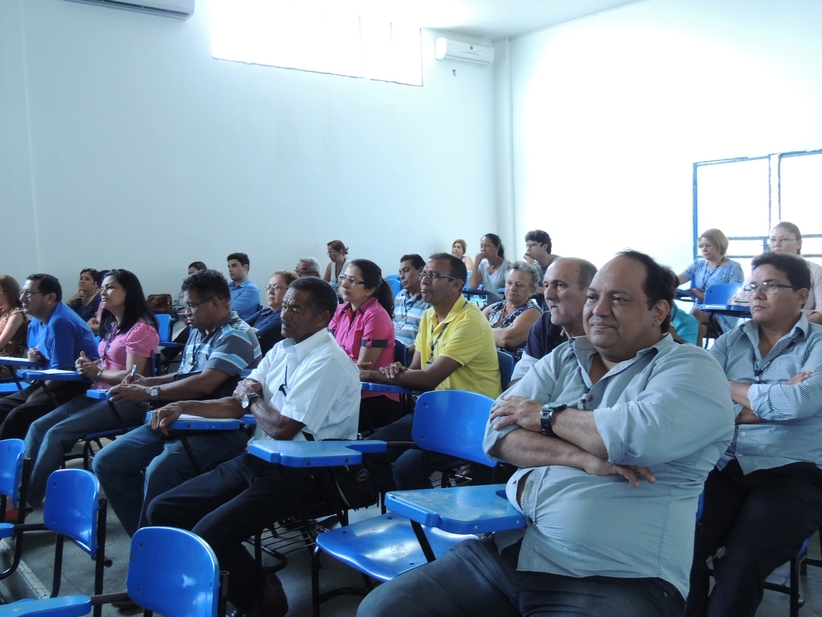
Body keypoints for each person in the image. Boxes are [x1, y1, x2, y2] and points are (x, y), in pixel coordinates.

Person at [358, 251, 735, 617]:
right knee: (383, 609)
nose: (599, 310)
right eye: (593, 297)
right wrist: (579, 456)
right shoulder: (564, 357)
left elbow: (629, 437)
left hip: (616, 577)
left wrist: (543, 415)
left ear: (659, 311)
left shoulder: (693, 368)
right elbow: (496, 434)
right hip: (510, 551)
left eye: (618, 299)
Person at [147, 277, 360, 617]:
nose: (284, 314)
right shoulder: (282, 349)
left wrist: (250, 398)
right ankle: (225, 584)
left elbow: (282, 427)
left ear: (322, 318)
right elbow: (237, 402)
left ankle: (262, 599)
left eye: (295, 308)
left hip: (305, 471)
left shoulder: (327, 360)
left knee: (211, 533)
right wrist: (182, 406)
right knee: (164, 509)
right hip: (260, 458)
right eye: (285, 305)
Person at [685, 251, 822, 617]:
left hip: (793, 472)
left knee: (744, 559)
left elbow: (799, 403)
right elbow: (698, 398)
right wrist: (772, 400)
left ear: (801, 295)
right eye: (752, 286)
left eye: (770, 285)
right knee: (681, 544)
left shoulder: (818, 344)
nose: (756, 294)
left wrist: (726, 388)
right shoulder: (730, 341)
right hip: (724, 466)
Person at [91, 269, 261, 536]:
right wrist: (147, 382)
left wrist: (150, 393)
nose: (185, 312)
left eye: (191, 305)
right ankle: (147, 534)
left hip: (223, 427)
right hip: (181, 418)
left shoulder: (236, 334)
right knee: (106, 462)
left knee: (161, 471)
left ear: (216, 302)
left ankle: (155, 544)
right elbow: (184, 376)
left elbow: (204, 383)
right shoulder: (199, 330)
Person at [361, 253, 501, 490]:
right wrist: (399, 370)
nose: (424, 280)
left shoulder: (469, 322)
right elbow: (416, 370)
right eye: (424, 273)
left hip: (467, 419)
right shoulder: (429, 316)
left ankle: (423, 508)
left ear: (456, 285)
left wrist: (366, 374)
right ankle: (411, 501)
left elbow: (428, 379)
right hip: (435, 411)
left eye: (434, 275)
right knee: (370, 449)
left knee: (406, 469)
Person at [24, 269, 160, 507]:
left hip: (127, 401)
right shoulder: (113, 325)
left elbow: (131, 377)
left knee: (57, 433)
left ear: (129, 292)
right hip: (98, 394)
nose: (103, 292)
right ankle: (19, 490)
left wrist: (95, 372)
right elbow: (108, 364)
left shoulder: (142, 329)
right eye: (102, 287)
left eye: (110, 287)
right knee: (38, 426)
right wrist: (89, 365)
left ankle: (26, 501)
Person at [0, 274, 99, 439]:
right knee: (2, 407)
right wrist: (35, 355)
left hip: (72, 386)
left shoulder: (60, 321)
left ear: (50, 298)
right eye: (23, 292)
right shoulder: (36, 321)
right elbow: (44, 353)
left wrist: (35, 395)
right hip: (49, 381)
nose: (22, 298)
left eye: (29, 293)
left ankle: (13, 455)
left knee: (18, 416)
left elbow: (63, 372)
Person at [329, 259, 398, 430]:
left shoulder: (376, 316)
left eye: (352, 280)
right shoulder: (341, 310)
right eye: (344, 278)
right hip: (342, 390)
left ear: (370, 290)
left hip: (372, 398)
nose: (344, 284)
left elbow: (363, 367)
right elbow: (326, 351)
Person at [510, 257, 596, 383]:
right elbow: (519, 381)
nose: (548, 295)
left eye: (560, 285)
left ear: (589, 294)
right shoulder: (545, 323)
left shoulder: (604, 333)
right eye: (546, 286)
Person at [678, 228, 744, 342]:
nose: (704, 249)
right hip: (700, 312)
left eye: (708, 245)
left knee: (695, 315)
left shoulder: (734, 267)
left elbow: (735, 299)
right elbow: (676, 280)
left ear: (720, 246)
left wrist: (703, 297)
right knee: (701, 328)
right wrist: (667, 285)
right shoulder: (698, 264)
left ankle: (681, 347)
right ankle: (694, 353)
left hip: (723, 313)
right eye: (701, 246)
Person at [483, 261, 542, 362]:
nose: (512, 288)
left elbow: (506, 339)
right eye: (509, 283)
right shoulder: (494, 308)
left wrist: (479, 333)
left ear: (531, 290)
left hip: (514, 369)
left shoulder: (533, 312)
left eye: (519, 285)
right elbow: (470, 329)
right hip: (485, 363)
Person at [767, 221, 822, 324]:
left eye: (784, 239)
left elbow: (821, 310)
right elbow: (741, 299)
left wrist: (800, 329)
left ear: (798, 243)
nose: (777, 244)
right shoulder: (761, 272)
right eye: (773, 240)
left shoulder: (814, 270)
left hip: (806, 327)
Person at [246, 270, 298, 355]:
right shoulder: (265, 312)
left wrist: (248, 331)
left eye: (277, 288)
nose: (270, 292)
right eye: (269, 287)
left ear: (290, 291)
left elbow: (257, 340)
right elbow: (237, 326)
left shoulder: (284, 317)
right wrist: (250, 331)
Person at [393, 254, 431, 355]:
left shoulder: (430, 301)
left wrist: (404, 353)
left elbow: (428, 339)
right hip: (391, 350)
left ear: (421, 271)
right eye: (400, 272)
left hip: (412, 354)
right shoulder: (400, 295)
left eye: (406, 270)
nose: (401, 276)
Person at [468, 233, 512, 304]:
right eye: (481, 246)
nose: (483, 249)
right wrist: (476, 264)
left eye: (487, 246)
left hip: (504, 305)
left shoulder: (507, 266)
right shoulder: (482, 266)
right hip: (489, 305)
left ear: (497, 248)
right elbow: (472, 287)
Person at [0, 276, 28, 379]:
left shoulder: (16, 314)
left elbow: (1, 343)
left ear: (10, 292)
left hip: (6, 365)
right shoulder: (1, 312)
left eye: (1, 291)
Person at [226, 252, 261, 320]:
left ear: (245, 267)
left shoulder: (252, 289)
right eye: (229, 267)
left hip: (237, 326)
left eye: (234, 266)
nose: (230, 269)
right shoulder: (226, 286)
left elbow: (228, 312)